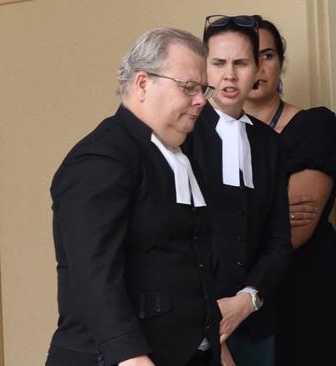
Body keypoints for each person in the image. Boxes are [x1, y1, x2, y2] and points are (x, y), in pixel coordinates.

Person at [46, 28, 221, 366]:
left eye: (204, 89)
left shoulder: (184, 158)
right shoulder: (100, 158)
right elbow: (93, 272)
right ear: (143, 83)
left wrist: (213, 342)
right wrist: (130, 357)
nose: (201, 100)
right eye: (189, 87)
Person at [243, 16, 336, 366]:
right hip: (237, 299)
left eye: (267, 55)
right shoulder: (203, 136)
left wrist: (225, 221)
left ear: (281, 63)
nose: (257, 67)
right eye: (245, 58)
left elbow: (296, 229)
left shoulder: (314, 126)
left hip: (308, 292)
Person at [182, 15, 292, 366]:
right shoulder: (183, 135)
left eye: (241, 63)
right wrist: (212, 320)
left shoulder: (269, 144)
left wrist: (249, 298)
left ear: (258, 68)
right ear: (204, 68)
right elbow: (173, 237)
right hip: (192, 323)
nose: (230, 75)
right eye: (219, 63)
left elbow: (279, 240)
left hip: (257, 320)